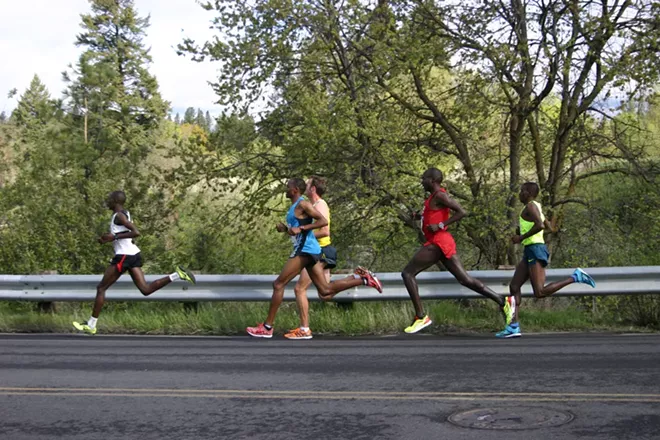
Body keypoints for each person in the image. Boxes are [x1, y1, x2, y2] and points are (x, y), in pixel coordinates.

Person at [247, 178, 382, 338]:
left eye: (288, 187)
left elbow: (322, 221)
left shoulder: (303, 204)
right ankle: (363, 279)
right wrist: (286, 229)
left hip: (305, 250)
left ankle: (267, 327)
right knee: (325, 291)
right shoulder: (294, 206)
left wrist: (302, 228)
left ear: (295, 189)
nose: (285, 190)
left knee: (278, 284)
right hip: (309, 249)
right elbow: (297, 230)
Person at [401, 168, 515, 334]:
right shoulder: (433, 197)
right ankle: (503, 301)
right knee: (465, 280)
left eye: (424, 178)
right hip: (442, 242)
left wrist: (440, 225)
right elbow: (433, 215)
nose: (421, 181)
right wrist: (419, 217)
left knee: (407, 274)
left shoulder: (440, 194)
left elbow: (462, 212)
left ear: (432, 180)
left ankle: (420, 316)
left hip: (438, 242)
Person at [73, 190, 196, 335]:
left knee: (101, 288)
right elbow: (126, 236)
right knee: (145, 290)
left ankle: (91, 324)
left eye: (109, 199)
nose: (107, 201)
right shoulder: (124, 214)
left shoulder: (119, 216)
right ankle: (177, 275)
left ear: (115, 201)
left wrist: (114, 237)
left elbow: (136, 232)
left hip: (124, 256)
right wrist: (106, 239)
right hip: (132, 254)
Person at [497, 182, 596, 338]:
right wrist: (524, 232)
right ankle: (513, 327)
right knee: (514, 286)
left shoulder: (531, 207)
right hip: (530, 250)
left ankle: (575, 277)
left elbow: (540, 226)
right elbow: (549, 228)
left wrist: (521, 237)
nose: (519, 193)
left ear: (528, 193)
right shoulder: (534, 206)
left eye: (522, 191)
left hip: (535, 249)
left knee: (540, 292)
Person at [284, 176, 337, 340]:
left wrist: (303, 232)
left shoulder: (320, 205)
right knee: (325, 293)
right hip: (314, 250)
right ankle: (359, 279)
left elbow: (325, 230)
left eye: (308, 185)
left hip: (318, 250)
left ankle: (304, 328)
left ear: (313, 189)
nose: (305, 187)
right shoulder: (312, 205)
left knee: (300, 289)